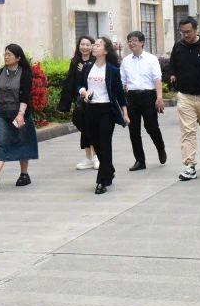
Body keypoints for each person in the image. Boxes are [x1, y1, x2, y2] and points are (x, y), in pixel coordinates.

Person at [168, 16, 200, 181]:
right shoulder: (178, 47)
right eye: (182, 32)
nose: (185, 35)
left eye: (188, 32)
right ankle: (190, 166)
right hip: (185, 96)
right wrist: (173, 76)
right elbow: (172, 66)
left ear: (196, 30)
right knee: (187, 131)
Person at [0, 44, 38, 190]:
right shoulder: (0, 72)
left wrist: (21, 114)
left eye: (9, 54)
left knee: (22, 141)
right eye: (5, 54)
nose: (6, 57)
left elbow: (25, 96)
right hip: (3, 114)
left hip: (19, 113)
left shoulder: (25, 73)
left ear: (18, 58)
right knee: (1, 143)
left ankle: (24, 174)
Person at [79, 36, 130, 193]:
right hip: (90, 109)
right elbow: (80, 84)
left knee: (105, 144)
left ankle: (102, 181)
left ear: (106, 50)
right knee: (96, 143)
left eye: (98, 45)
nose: (94, 47)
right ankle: (109, 169)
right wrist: (84, 93)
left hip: (107, 111)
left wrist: (125, 114)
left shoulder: (113, 70)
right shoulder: (88, 67)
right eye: (94, 45)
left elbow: (119, 94)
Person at [121, 30, 166, 170]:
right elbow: (122, 82)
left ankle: (160, 147)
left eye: (134, 40)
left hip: (148, 96)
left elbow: (157, 79)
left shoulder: (151, 59)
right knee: (133, 130)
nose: (131, 43)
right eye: (129, 41)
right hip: (132, 97)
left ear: (141, 42)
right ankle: (140, 161)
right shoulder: (125, 61)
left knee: (151, 127)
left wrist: (159, 97)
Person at [58, 36, 99, 170]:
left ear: (92, 46)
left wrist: (84, 69)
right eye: (82, 44)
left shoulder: (96, 61)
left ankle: (97, 156)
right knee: (85, 128)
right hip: (80, 100)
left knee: (92, 127)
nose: (85, 47)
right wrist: (66, 103)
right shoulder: (75, 61)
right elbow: (71, 81)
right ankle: (89, 158)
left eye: (88, 44)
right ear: (78, 45)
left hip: (95, 99)